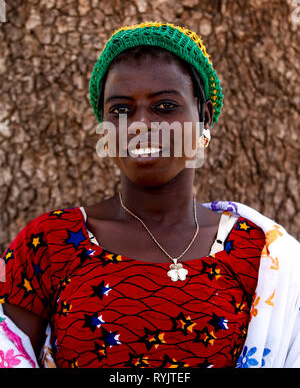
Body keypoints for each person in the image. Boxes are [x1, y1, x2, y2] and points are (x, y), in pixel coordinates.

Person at [0, 21, 299, 369]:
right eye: (121, 110)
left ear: (203, 119)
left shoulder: (261, 255)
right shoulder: (50, 243)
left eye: (165, 106)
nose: (140, 124)